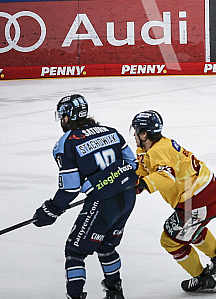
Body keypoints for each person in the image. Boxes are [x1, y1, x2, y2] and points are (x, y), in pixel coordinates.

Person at [33, 94, 138, 299]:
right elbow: (132, 164)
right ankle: (115, 293)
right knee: (107, 246)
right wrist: (112, 179)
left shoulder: (66, 144)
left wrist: (51, 210)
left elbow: (70, 189)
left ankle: (76, 296)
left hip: (103, 202)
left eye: (62, 115)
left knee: (75, 251)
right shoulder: (111, 132)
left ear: (67, 117)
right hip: (127, 197)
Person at [132, 110, 216, 293]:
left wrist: (143, 184)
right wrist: (132, 182)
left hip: (199, 198)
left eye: (136, 131)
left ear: (144, 134)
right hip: (205, 191)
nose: (134, 135)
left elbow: (166, 178)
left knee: (171, 240)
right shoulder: (149, 148)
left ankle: (203, 279)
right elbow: (144, 169)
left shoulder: (158, 151)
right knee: (189, 229)